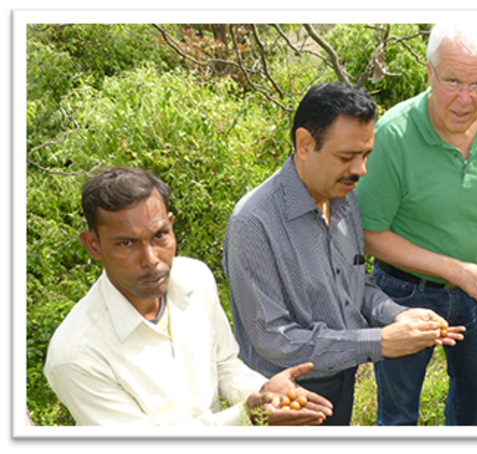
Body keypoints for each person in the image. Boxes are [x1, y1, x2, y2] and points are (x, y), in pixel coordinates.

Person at [222, 81, 464, 426]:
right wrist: (378, 342)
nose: (360, 170)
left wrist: (397, 315)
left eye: (365, 155)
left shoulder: (343, 196)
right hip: (285, 398)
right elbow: (275, 339)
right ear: (305, 144)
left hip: (341, 379)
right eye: (346, 157)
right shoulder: (253, 223)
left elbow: (354, 285)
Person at [44, 167, 333, 426]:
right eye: (126, 243)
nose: (151, 259)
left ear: (171, 224)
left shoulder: (195, 280)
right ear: (93, 245)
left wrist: (265, 394)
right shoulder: (77, 354)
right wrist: (246, 415)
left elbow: (224, 365)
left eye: (160, 235)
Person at [355, 23, 477, 426]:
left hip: (476, 292)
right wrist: (456, 270)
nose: (465, 99)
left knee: (475, 390)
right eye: (452, 80)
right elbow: (368, 234)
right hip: (404, 292)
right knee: (399, 409)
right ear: (430, 72)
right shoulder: (393, 136)